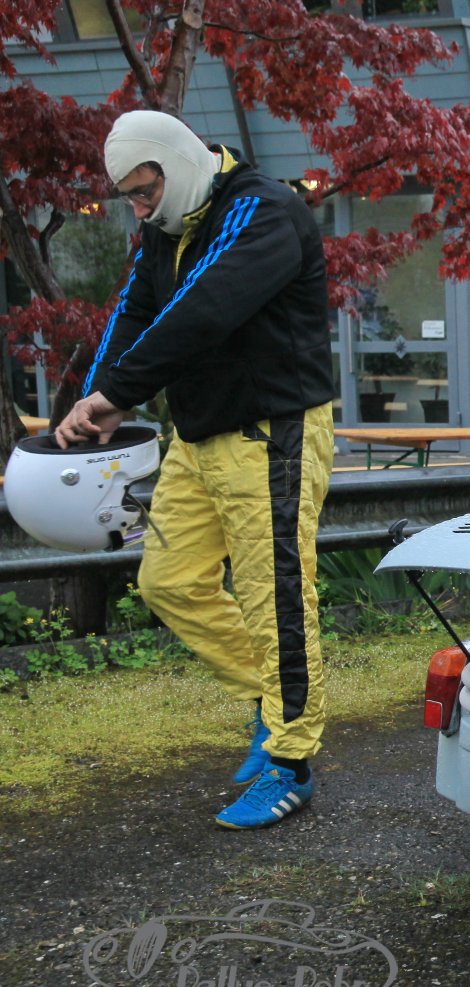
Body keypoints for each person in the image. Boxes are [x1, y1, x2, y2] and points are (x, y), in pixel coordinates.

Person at [54, 110, 337, 830]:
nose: (140, 209)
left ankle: (291, 761)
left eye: (144, 191)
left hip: (271, 430)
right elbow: (134, 311)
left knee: (277, 598)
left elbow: (202, 311)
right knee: (169, 581)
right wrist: (92, 398)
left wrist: (118, 393)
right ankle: (268, 702)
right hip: (199, 435)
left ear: (177, 162)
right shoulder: (166, 229)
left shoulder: (265, 211)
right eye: (130, 198)